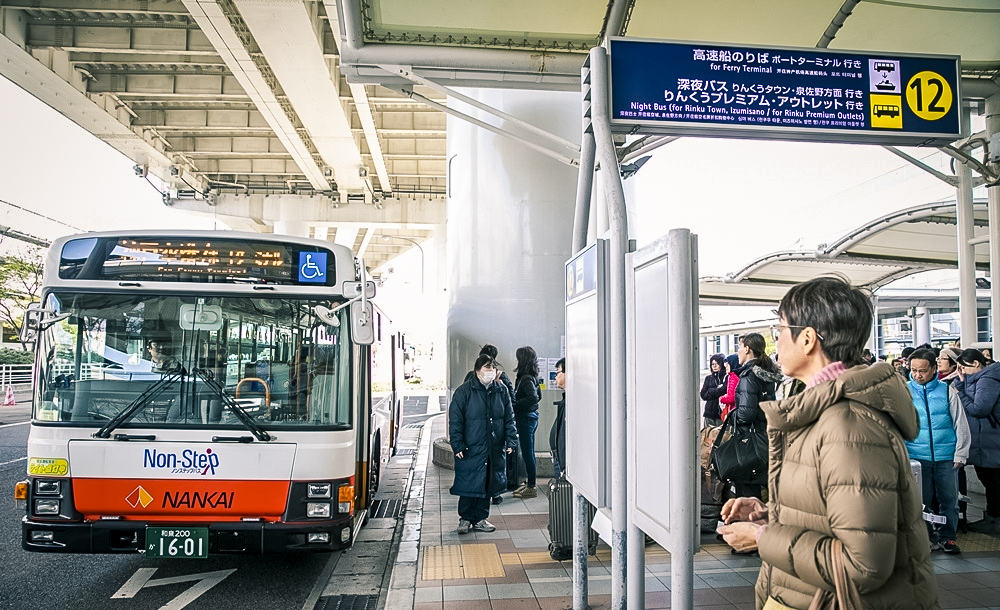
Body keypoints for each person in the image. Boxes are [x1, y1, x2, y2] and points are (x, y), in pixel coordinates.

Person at [719, 277, 939, 610]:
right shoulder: (823, 409)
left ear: (807, 339)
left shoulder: (848, 425)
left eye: (779, 329)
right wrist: (771, 514)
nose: (775, 341)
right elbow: (836, 514)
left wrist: (763, 538)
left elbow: (862, 565)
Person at [904, 348, 970, 553]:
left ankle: (948, 538)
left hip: (946, 457)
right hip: (916, 458)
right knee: (921, 504)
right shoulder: (904, 391)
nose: (918, 375)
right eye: (914, 370)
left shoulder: (947, 390)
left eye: (922, 370)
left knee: (950, 501)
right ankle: (928, 538)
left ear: (934, 369)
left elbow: (961, 423)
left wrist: (961, 453)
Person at [449, 354, 517, 534]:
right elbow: (455, 421)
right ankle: (464, 519)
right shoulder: (464, 391)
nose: (491, 371)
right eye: (487, 368)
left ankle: (480, 519)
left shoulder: (501, 390)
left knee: (487, 484)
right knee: (468, 483)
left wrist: (511, 439)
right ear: (477, 371)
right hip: (470, 447)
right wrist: (458, 444)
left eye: (492, 368)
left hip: (493, 447)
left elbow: (509, 417)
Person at [717, 332, 782, 501]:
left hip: (748, 441)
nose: (738, 352)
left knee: (747, 491)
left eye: (739, 347)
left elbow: (746, 413)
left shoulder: (748, 376)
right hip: (763, 436)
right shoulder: (765, 373)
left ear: (747, 349)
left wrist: (730, 417)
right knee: (761, 488)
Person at [952, 348, 1000, 535]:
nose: (961, 371)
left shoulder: (988, 380)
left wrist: (960, 392)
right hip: (985, 439)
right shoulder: (981, 378)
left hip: (990, 440)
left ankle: (994, 520)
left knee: (993, 481)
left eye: (963, 368)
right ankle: (993, 518)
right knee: (990, 480)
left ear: (976, 364)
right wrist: (962, 383)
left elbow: (980, 408)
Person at [463, 344, 516, 504]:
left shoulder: (471, 377)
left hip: (477, 431)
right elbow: (512, 402)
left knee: (482, 465)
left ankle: (485, 494)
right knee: (494, 464)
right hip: (494, 431)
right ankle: (495, 493)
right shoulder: (501, 377)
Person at [512, 346, 542, 499]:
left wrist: (515, 403)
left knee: (528, 453)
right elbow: (538, 397)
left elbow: (533, 398)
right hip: (532, 417)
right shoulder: (533, 376)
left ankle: (531, 486)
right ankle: (530, 482)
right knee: (529, 452)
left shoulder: (525, 378)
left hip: (526, 419)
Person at [549, 358, 566, 478]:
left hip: (564, 462)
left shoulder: (573, 402)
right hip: (559, 457)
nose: (555, 376)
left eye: (558, 372)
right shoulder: (566, 399)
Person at [700, 354, 728, 428]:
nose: (714, 366)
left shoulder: (726, 377)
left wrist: (710, 391)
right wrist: (716, 391)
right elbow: (703, 395)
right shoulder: (708, 378)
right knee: (708, 436)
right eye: (712, 364)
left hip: (721, 413)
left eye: (717, 364)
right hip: (709, 413)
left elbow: (724, 390)